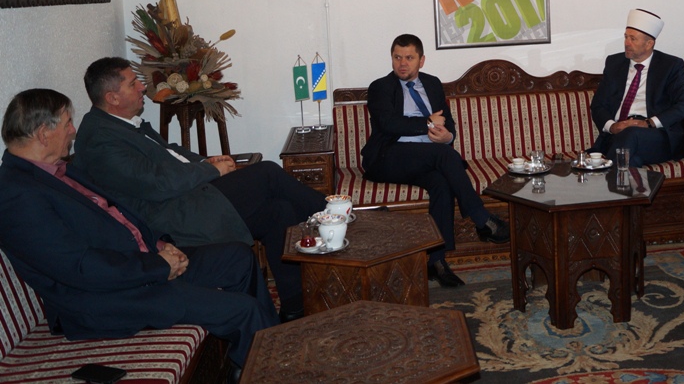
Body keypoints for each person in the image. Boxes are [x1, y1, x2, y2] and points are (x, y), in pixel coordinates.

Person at [0, 89, 278, 373]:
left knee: (238, 258)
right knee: (245, 310)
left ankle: (249, 365)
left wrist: (159, 245)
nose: (73, 130)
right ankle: (270, 371)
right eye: (67, 122)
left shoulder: (56, 170)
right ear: (43, 133)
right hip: (107, 297)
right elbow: (79, 267)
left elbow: (117, 215)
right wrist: (158, 266)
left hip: (138, 266)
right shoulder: (17, 195)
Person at [72, 57, 327, 323]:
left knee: (279, 212)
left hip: (189, 198)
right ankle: (336, 214)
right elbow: (158, 184)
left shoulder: (118, 124)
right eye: (133, 83)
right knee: (268, 174)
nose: (142, 88)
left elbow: (170, 153)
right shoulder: (100, 140)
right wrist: (212, 171)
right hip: (174, 216)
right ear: (112, 97)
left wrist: (206, 161)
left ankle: (294, 310)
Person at [361, 34, 509, 287]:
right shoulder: (380, 87)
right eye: (397, 57)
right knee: (445, 156)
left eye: (409, 58)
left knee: (441, 183)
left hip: (425, 158)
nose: (402, 63)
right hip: (389, 156)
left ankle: (436, 261)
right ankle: (481, 218)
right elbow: (388, 123)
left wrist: (447, 136)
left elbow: (447, 122)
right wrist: (429, 123)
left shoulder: (431, 83)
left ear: (421, 60)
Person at [590, 9, 684, 166]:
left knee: (631, 134)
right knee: (632, 160)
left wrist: (648, 123)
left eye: (633, 39)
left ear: (649, 44)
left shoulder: (669, 66)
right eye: (626, 37)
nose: (627, 43)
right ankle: (623, 179)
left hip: (655, 136)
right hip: (618, 135)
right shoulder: (614, 63)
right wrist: (612, 126)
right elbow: (598, 105)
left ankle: (605, 172)